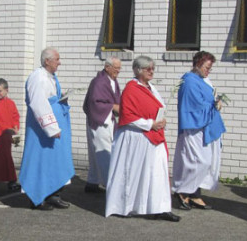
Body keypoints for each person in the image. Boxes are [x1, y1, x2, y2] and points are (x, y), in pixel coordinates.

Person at [105, 56, 180, 222]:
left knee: (157, 172)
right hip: (136, 138)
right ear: (138, 70)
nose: (151, 71)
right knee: (131, 173)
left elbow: (158, 107)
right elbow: (127, 116)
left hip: (153, 137)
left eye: (152, 68)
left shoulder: (151, 87)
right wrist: (149, 124)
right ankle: (123, 205)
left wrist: (160, 121)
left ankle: (160, 207)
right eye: (148, 69)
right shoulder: (131, 89)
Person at [19, 47, 75, 210]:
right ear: (47, 61)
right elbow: (38, 104)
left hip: (54, 129)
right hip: (42, 132)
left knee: (55, 162)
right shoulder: (38, 78)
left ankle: (53, 194)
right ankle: (37, 198)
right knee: (40, 162)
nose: (60, 62)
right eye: (57, 59)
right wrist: (51, 128)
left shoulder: (50, 77)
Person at [171, 51, 225, 210]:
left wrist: (216, 101)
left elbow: (208, 99)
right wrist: (213, 106)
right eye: (207, 67)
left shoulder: (204, 79)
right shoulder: (189, 81)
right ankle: (182, 191)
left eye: (210, 68)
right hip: (194, 127)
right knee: (199, 161)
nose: (208, 71)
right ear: (198, 64)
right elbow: (193, 105)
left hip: (206, 126)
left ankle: (194, 194)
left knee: (207, 161)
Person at [82, 56, 121, 193]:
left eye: (119, 68)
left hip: (107, 120)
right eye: (116, 68)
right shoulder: (99, 82)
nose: (118, 71)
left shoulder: (112, 81)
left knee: (98, 153)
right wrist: (113, 107)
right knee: (103, 153)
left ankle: (92, 182)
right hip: (99, 121)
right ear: (107, 67)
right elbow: (94, 103)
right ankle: (109, 185)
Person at [0, 78, 21, 191]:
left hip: (7, 137)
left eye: (0, 91)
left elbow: (16, 116)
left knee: (7, 159)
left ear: (6, 90)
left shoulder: (11, 103)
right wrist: (7, 129)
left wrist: (15, 127)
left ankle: (10, 180)